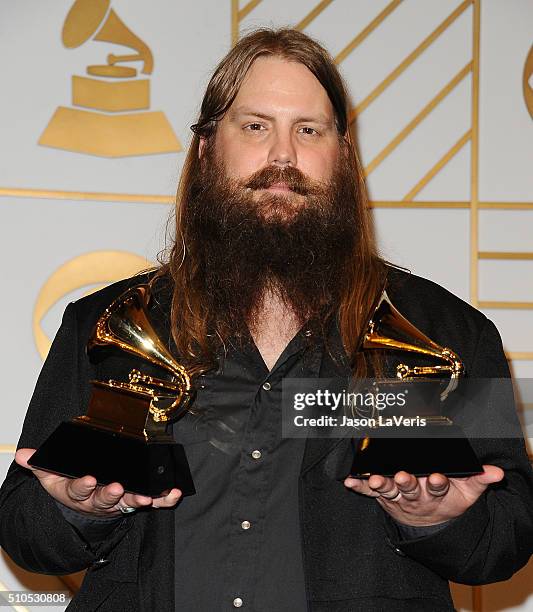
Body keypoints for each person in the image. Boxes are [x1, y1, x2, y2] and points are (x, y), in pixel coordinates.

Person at [1, 28, 533, 612]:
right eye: (255, 127)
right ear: (207, 149)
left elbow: (508, 531)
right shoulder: (104, 326)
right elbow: (26, 527)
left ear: (343, 154)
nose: (284, 156)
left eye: (308, 130)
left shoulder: (450, 333)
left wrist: (436, 519)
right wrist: (77, 509)